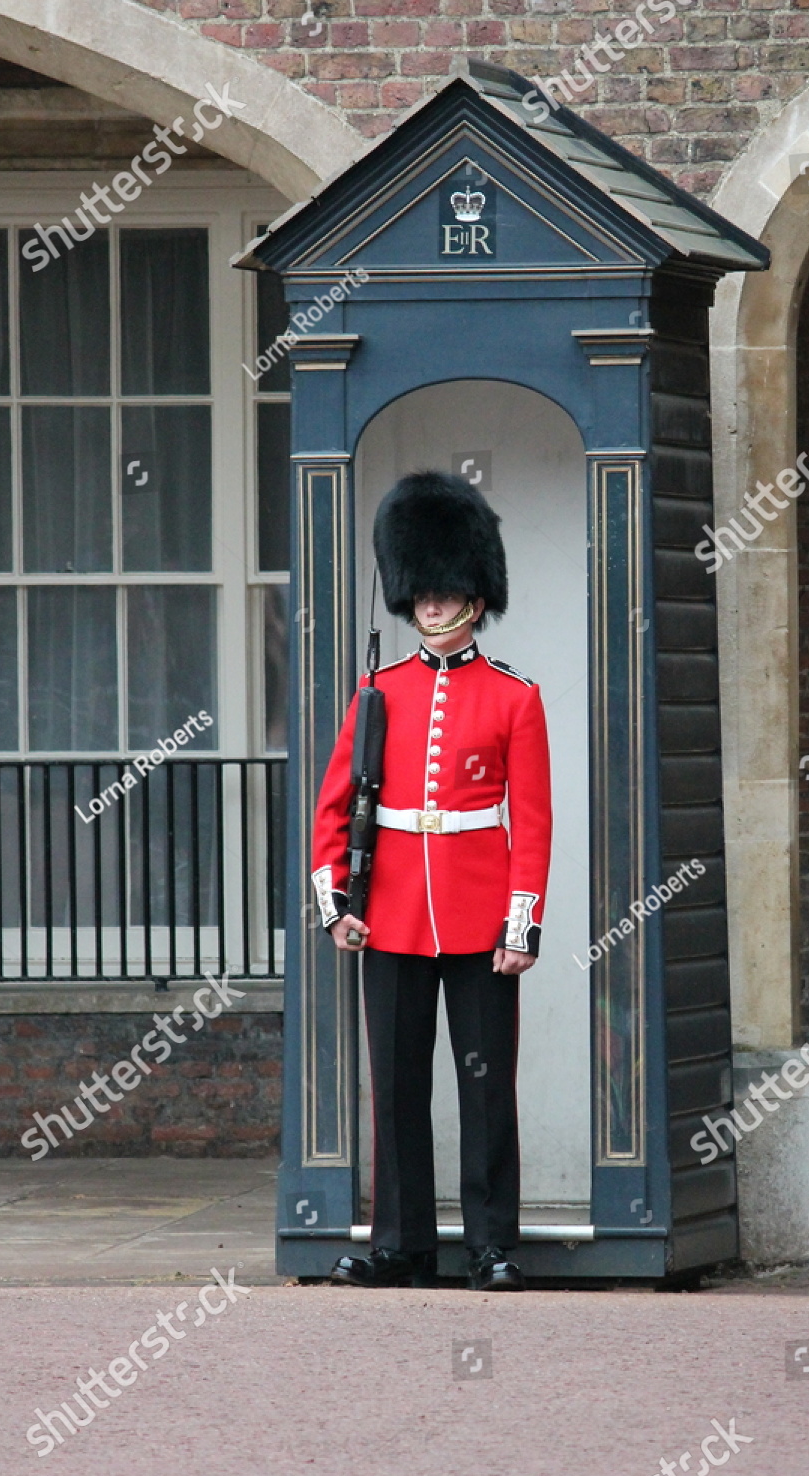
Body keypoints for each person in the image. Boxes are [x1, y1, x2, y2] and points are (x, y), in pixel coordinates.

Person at [310, 471, 552, 1291]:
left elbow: (534, 823)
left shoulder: (515, 697)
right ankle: (402, 1245)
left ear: (474, 600)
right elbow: (333, 808)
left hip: (480, 916)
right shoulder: (378, 692)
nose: (432, 609)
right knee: (398, 1088)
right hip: (391, 917)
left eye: (446, 595)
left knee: (486, 1091)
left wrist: (520, 926)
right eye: (422, 596)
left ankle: (491, 1245)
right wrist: (336, 904)